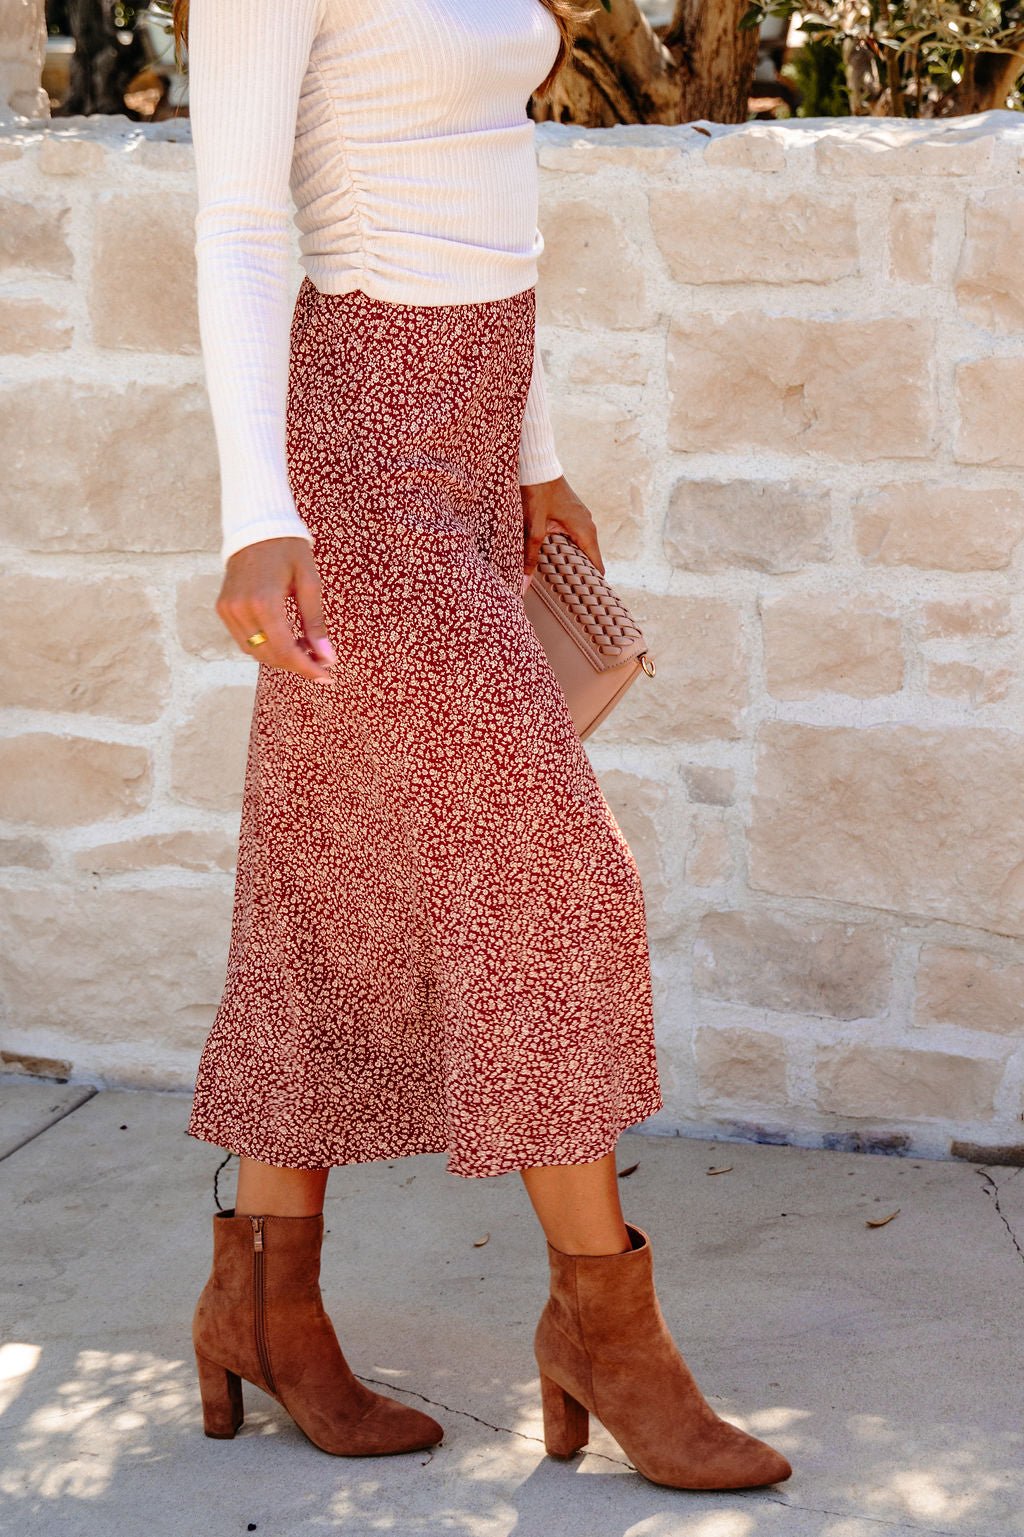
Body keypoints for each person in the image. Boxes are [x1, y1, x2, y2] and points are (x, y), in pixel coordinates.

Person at [176, 0, 792, 1492]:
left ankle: (262, 1295)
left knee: (330, 874)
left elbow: (488, 175)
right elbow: (242, 224)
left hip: (471, 420)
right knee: (553, 873)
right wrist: (257, 514)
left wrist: (537, 451)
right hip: (361, 447)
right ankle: (608, 1329)